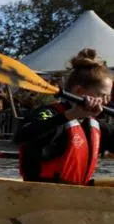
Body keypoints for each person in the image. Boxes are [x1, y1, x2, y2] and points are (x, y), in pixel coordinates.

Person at [15, 48, 114, 185]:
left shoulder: (95, 125)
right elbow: (21, 137)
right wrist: (72, 115)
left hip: (74, 194)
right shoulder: (51, 113)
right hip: (42, 193)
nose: (107, 102)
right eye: (103, 95)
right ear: (79, 91)